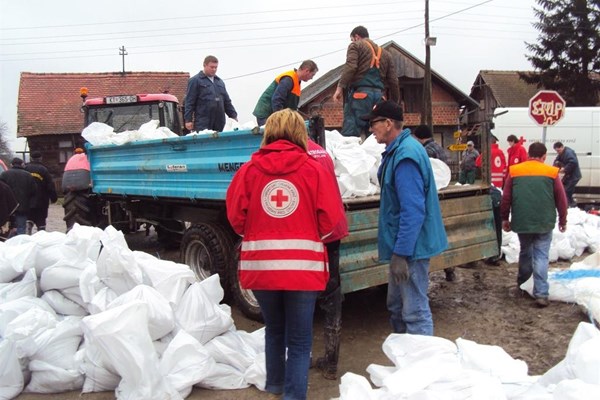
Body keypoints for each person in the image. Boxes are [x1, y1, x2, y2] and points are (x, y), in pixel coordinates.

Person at [226, 109, 344, 399]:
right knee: (301, 339)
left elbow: (235, 216)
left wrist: (256, 231)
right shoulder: (314, 169)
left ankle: (276, 387)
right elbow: (331, 220)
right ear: (299, 134)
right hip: (303, 270)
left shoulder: (248, 171)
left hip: (262, 268)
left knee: (274, 330)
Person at [362, 100, 447, 335]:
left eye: (373, 124)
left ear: (388, 124)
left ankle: (420, 366)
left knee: (414, 312)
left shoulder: (405, 156)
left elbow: (412, 210)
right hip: (406, 246)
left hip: (411, 250)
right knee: (397, 307)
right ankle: (405, 360)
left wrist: (401, 253)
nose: (371, 129)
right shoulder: (399, 151)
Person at [500, 142, 568, 308]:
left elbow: (506, 198)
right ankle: (541, 293)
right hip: (544, 221)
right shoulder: (552, 172)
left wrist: (504, 218)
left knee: (526, 252)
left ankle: (523, 285)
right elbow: (561, 199)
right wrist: (563, 220)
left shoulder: (515, 171)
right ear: (544, 156)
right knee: (541, 256)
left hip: (522, 221)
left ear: (529, 154)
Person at [307, 134, 349, 380]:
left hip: (318, 232)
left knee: (308, 295)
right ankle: (331, 362)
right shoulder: (320, 151)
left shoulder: (298, 155)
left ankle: (307, 356)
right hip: (334, 229)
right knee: (332, 294)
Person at [333, 26, 400, 140]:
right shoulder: (386, 54)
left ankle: (351, 156)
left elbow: (351, 67)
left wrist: (340, 87)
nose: (352, 42)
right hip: (379, 98)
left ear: (356, 37)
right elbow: (393, 80)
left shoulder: (356, 46)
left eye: (352, 39)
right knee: (376, 134)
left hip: (360, 96)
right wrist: (394, 102)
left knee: (351, 135)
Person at [412, 124, 456, 281]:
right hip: (444, 190)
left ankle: (427, 270)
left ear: (420, 137)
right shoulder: (439, 147)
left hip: (432, 193)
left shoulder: (425, 151)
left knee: (428, 234)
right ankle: (449, 269)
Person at [253, 60, 319, 126]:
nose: (312, 78)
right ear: (307, 71)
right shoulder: (288, 79)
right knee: (273, 134)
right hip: (266, 113)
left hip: (272, 114)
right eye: (312, 75)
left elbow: (291, 106)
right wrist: (281, 119)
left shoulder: (296, 82)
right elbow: (277, 100)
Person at [184, 55, 238, 132]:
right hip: (203, 121)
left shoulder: (219, 82)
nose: (214, 69)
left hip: (219, 121)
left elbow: (226, 101)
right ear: (204, 65)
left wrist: (233, 116)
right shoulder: (195, 80)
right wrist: (188, 120)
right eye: (211, 67)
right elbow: (189, 101)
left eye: (216, 67)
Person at [0, 158, 36, 236]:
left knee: (7, 228)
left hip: (8, 207)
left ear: (11, 164)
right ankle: (20, 244)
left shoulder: (4, 174)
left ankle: (9, 244)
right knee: (21, 228)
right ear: (22, 164)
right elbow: (33, 191)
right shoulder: (28, 175)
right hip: (23, 206)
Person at [25, 151, 58, 234]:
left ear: (31, 158)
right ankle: (41, 234)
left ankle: (28, 231)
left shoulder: (25, 168)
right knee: (41, 222)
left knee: (29, 219)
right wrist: (54, 198)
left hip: (28, 200)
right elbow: (50, 185)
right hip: (42, 201)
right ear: (40, 159)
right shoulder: (44, 169)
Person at [552, 141, 581, 207]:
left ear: (562, 147)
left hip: (573, 176)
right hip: (570, 176)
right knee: (567, 191)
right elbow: (556, 160)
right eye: (557, 151)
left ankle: (569, 206)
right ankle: (571, 205)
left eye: (559, 150)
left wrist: (565, 169)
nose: (558, 152)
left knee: (566, 191)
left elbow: (573, 162)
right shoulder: (562, 153)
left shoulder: (568, 152)